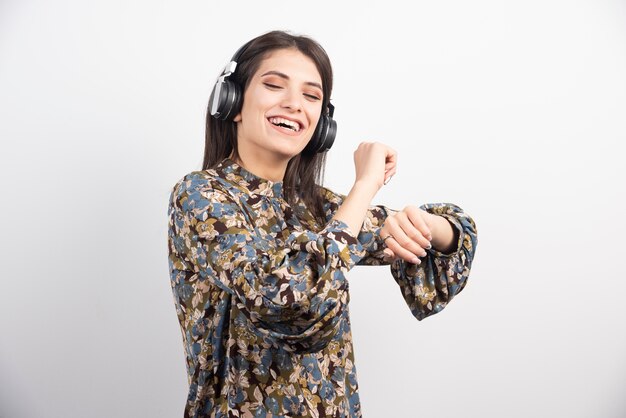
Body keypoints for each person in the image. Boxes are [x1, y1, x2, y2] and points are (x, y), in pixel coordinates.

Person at [167, 30, 478, 418]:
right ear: (233, 102)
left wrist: (425, 225)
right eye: (274, 85)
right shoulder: (200, 196)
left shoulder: (318, 206)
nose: (294, 104)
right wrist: (365, 184)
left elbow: (446, 236)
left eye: (311, 96)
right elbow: (289, 300)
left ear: (322, 123)